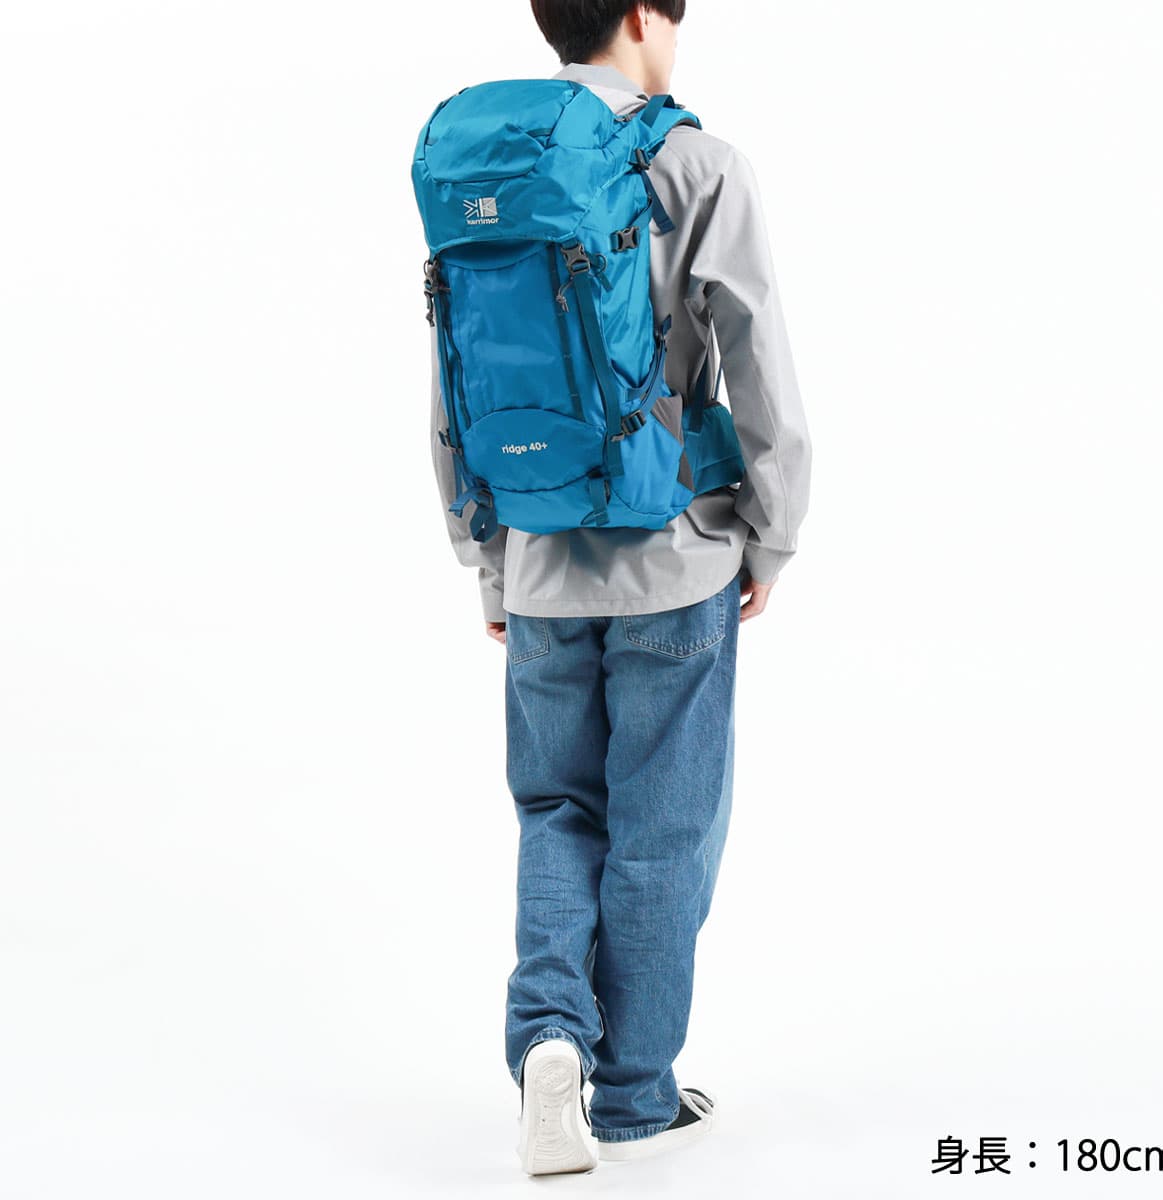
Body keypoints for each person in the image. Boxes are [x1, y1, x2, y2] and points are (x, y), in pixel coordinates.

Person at [427, 0, 812, 1174]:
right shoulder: (698, 162)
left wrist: (487, 557)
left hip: (539, 557)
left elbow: (454, 372)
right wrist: (772, 531)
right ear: (645, 13)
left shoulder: (481, 165)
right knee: (663, 829)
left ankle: (550, 1036)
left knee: (558, 812)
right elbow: (757, 358)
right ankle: (636, 1092)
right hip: (675, 555)